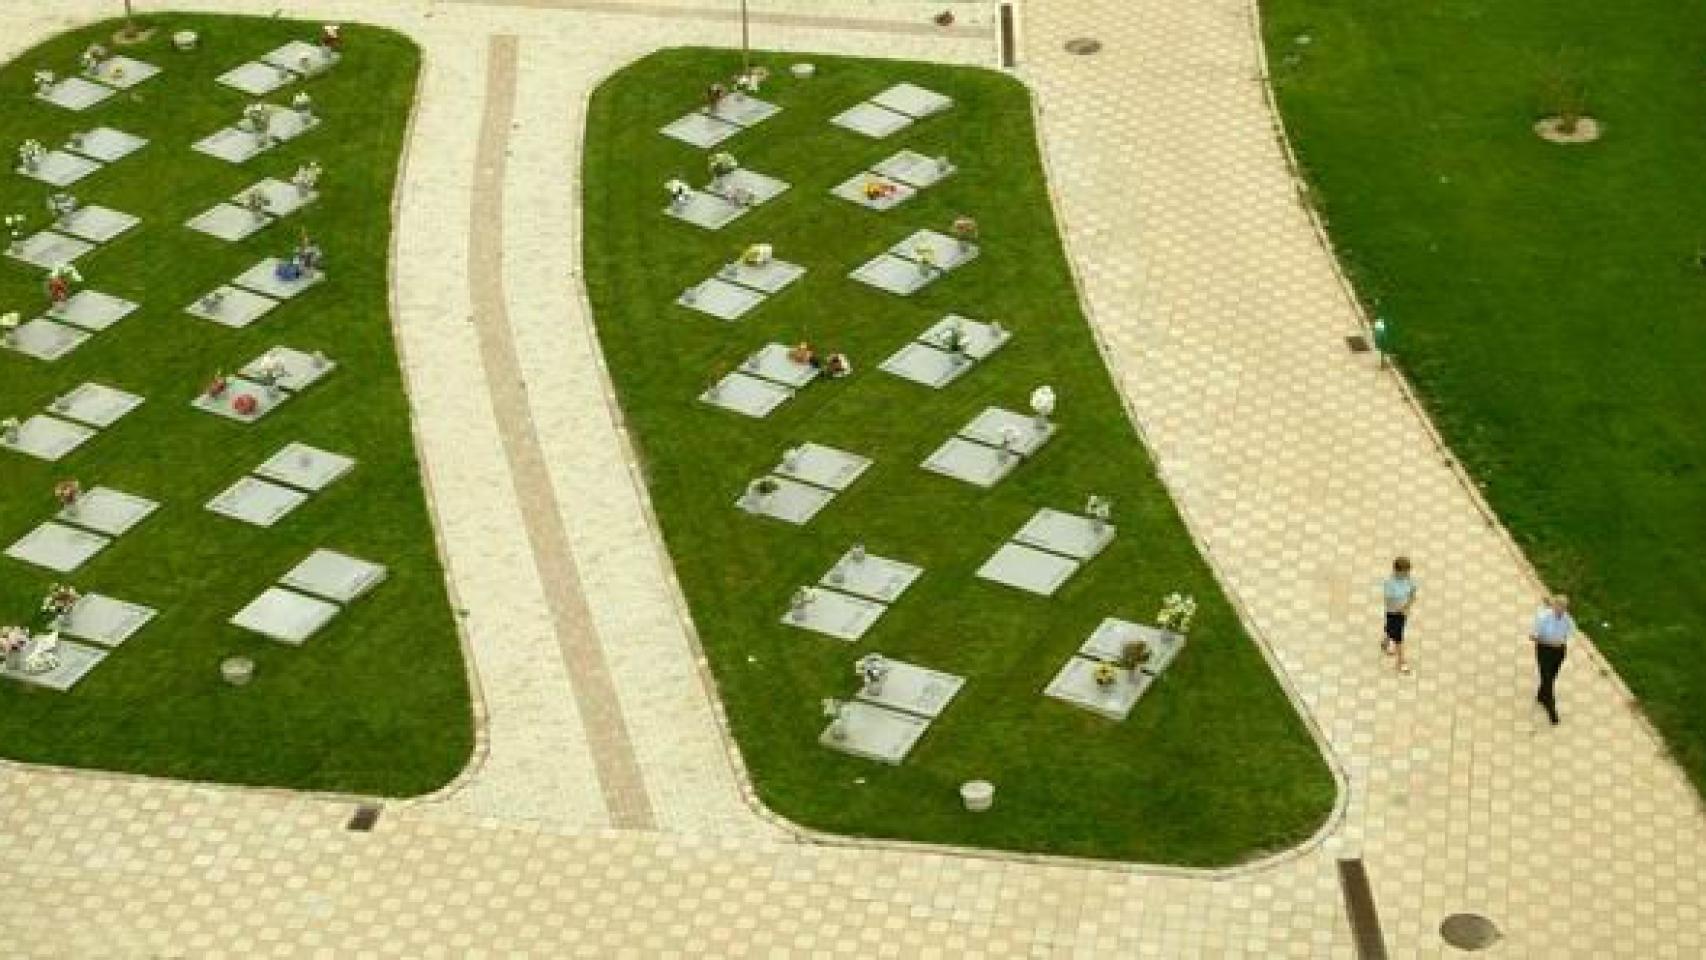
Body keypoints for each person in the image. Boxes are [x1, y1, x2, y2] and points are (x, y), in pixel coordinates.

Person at [1531, 594, 1574, 725]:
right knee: (1548, 679)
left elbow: (1570, 632)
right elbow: (1533, 636)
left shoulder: (1567, 619)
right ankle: (1551, 708)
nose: (1562, 610)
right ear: (1554, 606)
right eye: (1559, 606)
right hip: (1544, 650)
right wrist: (1550, 643)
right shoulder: (1543, 617)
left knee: (1551, 676)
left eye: (1564, 607)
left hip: (1559, 652)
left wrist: (1561, 643)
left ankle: (1541, 695)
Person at [1381, 556, 1417, 674]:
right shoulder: (1389, 584)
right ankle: (1401, 662)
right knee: (1399, 638)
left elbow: (1413, 593)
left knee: (1391, 629)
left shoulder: (1409, 580)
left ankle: (1386, 641)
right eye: (1405, 572)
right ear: (1397, 571)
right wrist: (1400, 609)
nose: (1407, 574)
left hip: (1403, 612)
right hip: (1394, 613)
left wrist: (1407, 607)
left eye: (1408, 571)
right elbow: (1389, 601)